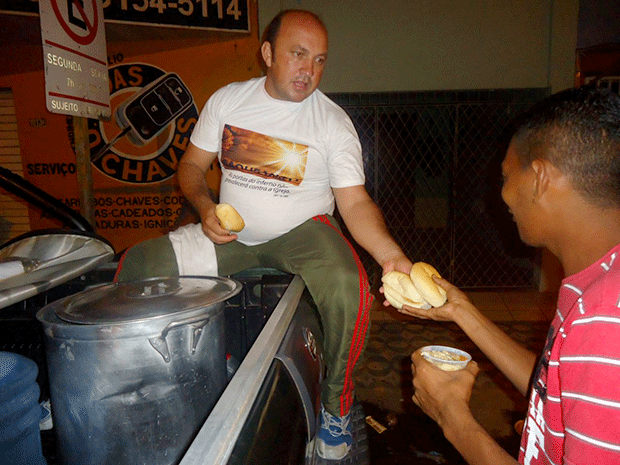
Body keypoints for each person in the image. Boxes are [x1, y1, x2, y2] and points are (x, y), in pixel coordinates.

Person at [115, 9, 412, 460]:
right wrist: (205, 207)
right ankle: (114, 387)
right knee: (137, 263)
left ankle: (336, 405)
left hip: (302, 233)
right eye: (298, 55)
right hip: (231, 237)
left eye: (319, 60)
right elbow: (192, 168)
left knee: (351, 286)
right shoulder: (229, 101)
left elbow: (353, 202)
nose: (309, 71)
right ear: (268, 54)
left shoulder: (332, 123)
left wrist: (392, 256)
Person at [400, 86, 620, 465]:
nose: (502, 195)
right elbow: (554, 386)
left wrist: (451, 418)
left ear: (540, 178)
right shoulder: (599, 282)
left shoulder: (606, 317)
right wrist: (461, 311)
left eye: (505, 176)